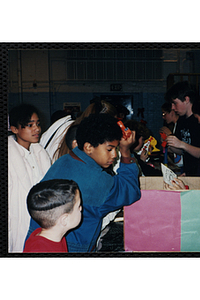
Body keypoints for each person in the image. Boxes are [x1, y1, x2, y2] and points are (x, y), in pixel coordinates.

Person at [26, 114, 141, 252]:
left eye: (116, 149)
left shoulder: (64, 161)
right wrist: (126, 152)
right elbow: (130, 190)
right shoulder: (96, 181)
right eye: (109, 149)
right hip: (72, 248)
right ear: (88, 147)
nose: (114, 155)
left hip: (38, 240)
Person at [8, 103, 51, 253]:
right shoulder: (9, 156)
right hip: (18, 220)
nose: (37, 129)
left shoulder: (40, 153)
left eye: (38, 124)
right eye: (29, 125)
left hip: (40, 218)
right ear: (14, 129)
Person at [23, 179, 82, 253]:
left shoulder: (55, 236)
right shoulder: (39, 250)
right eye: (78, 206)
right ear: (65, 220)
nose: (81, 208)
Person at [164, 81, 200, 176]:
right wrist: (171, 145)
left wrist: (182, 144)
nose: (172, 107)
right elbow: (183, 150)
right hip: (189, 171)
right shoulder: (181, 120)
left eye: (175, 103)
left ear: (186, 99)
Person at [159, 102, 183, 170]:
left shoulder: (180, 125)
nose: (163, 117)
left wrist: (170, 135)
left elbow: (182, 148)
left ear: (172, 112)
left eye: (164, 114)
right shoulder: (174, 126)